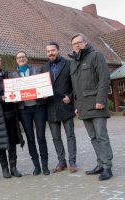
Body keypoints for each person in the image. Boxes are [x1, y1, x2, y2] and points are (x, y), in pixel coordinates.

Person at [69, 33, 113, 181]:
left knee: (101, 136)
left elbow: (104, 78)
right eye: (74, 43)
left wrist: (101, 99)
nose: (76, 45)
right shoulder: (73, 63)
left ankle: (107, 167)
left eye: (79, 42)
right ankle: (100, 164)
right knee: (93, 137)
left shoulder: (96, 56)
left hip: (97, 104)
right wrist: (76, 105)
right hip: (83, 106)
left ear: (85, 43)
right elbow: (75, 87)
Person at [41, 41, 77, 173]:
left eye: (53, 50)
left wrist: (71, 96)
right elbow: (40, 87)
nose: (51, 53)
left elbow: (76, 84)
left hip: (65, 105)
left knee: (70, 135)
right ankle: (61, 162)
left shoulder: (69, 64)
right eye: (48, 51)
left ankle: (72, 162)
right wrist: (41, 95)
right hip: (50, 107)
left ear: (58, 50)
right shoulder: (43, 68)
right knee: (56, 137)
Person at [11, 51, 50, 175]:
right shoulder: (12, 75)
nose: (21, 59)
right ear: (16, 60)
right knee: (30, 138)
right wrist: (13, 98)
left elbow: (44, 86)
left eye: (23, 57)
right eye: (19, 57)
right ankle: (36, 166)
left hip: (38, 107)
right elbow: (11, 92)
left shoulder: (37, 71)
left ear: (27, 59)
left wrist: (45, 94)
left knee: (41, 137)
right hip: (24, 110)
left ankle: (45, 165)